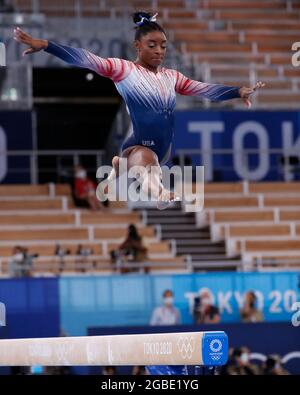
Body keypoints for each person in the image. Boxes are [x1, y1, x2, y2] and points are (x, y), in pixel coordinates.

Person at [13, 13, 265, 211]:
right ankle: (160, 193)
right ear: (137, 45)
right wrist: (47, 45)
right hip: (145, 147)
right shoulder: (123, 70)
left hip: (156, 145)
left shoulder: (171, 77)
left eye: (163, 46)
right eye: (152, 45)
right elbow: (85, 58)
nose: (159, 51)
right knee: (146, 162)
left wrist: (237, 92)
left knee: (137, 159)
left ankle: (117, 165)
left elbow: (205, 89)